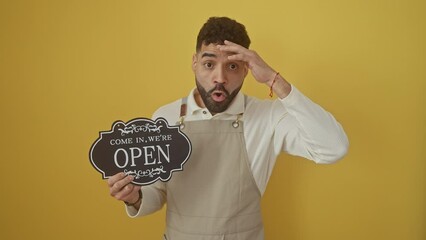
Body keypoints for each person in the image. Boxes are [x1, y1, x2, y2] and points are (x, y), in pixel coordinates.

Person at [107, 16, 349, 240]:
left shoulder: (267, 116)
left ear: (246, 68)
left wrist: (274, 80)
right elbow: (157, 193)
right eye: (209, 64)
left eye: (232, 66)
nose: (219, 78)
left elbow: (334, 148)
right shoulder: (165, 117)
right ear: (194, 63)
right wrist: (135, 197)